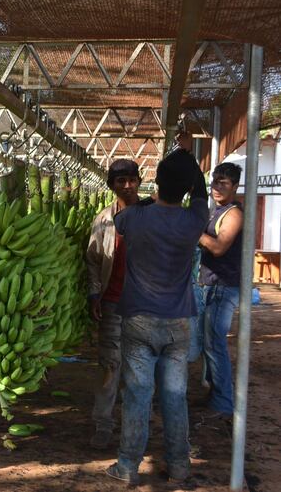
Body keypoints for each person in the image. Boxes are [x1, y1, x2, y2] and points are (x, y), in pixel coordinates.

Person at [105, 149, 209, 485]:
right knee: (175, 396)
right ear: (188, 186)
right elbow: (201, 196)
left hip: (139, 319)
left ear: (157, 182)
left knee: (138, 394)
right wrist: (195, 177)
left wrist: (147, 200)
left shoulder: (135, 218)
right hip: (179, 322)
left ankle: (126, 467)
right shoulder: (194, 221)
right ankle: (179, 464)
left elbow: (119, 219)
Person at [86, 159, 141, 449]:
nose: (128, 186)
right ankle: (103, 424)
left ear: (139, 182)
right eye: (121, 181)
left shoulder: (150, 215)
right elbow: (93, 260)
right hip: (112, 302)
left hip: (144, 307)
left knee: (138, 369)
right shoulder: (103, 220)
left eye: (132, 180)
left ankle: (133, 426)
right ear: (112, 185)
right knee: (109, 365)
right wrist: (94, 294)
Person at [198, 162, 244, 419]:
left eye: (223, 183)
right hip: (213, 283)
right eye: (215, 181)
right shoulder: (217, 210)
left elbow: (218, 248)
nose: (216, 187)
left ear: (235, 186)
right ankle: (216, 394)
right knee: (209, 343)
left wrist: (195, 231)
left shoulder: (233, 214)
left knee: (215, 344)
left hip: (224, 286)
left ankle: (224, 402)